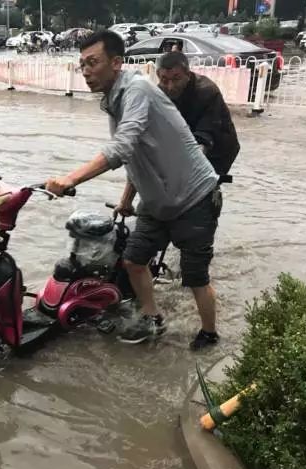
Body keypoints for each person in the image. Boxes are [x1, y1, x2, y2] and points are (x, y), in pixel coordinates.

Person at [45, 30, 222, 348]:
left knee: (195, 276)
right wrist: (126, 200)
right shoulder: (113, 99)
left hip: (194, 197)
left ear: (116, 62)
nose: (86, 70)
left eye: (93, 62)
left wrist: (71, 178)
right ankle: (152, 319)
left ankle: (209, 333)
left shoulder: (136, 89)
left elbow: (123, 146)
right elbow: (137, 154)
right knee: (133, 260)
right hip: (157, 202)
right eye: (82, 64)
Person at [156, 51, 240, 182]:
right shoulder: (160, 92)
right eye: (164, 80)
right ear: (158, 76)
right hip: (185, 139)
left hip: (217, 146)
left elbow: (205, 138)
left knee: (200, 187)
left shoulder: (207, 91)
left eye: (176, 79)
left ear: (187, 75)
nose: (170, 86)